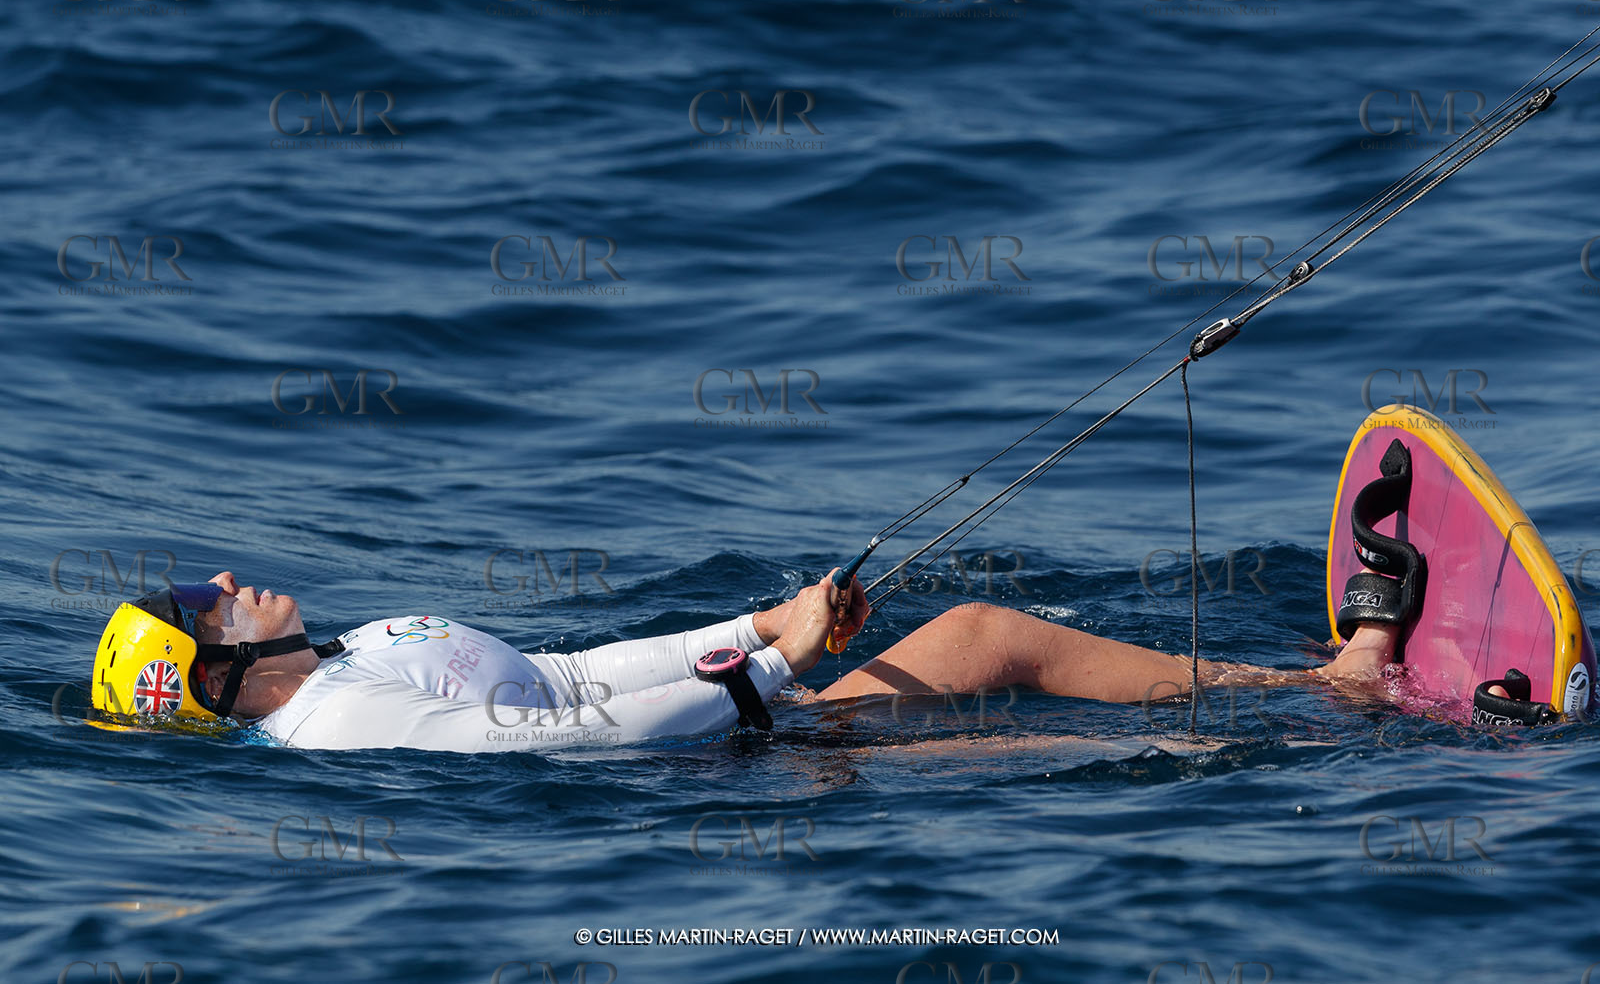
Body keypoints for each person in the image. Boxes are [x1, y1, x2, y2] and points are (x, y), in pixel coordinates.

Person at [88, 567, 1409, 753]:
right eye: (210, 611)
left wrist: (765, 624)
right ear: (213, 674)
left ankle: (1286, 708)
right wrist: (769, 677)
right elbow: (565, 748)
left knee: (1013, 731)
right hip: (716, 773)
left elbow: (566, 672)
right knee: (980, 642)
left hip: (731, 729)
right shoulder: (337, 722)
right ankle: (1333, 695)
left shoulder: (366, 641)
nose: (229, 587)